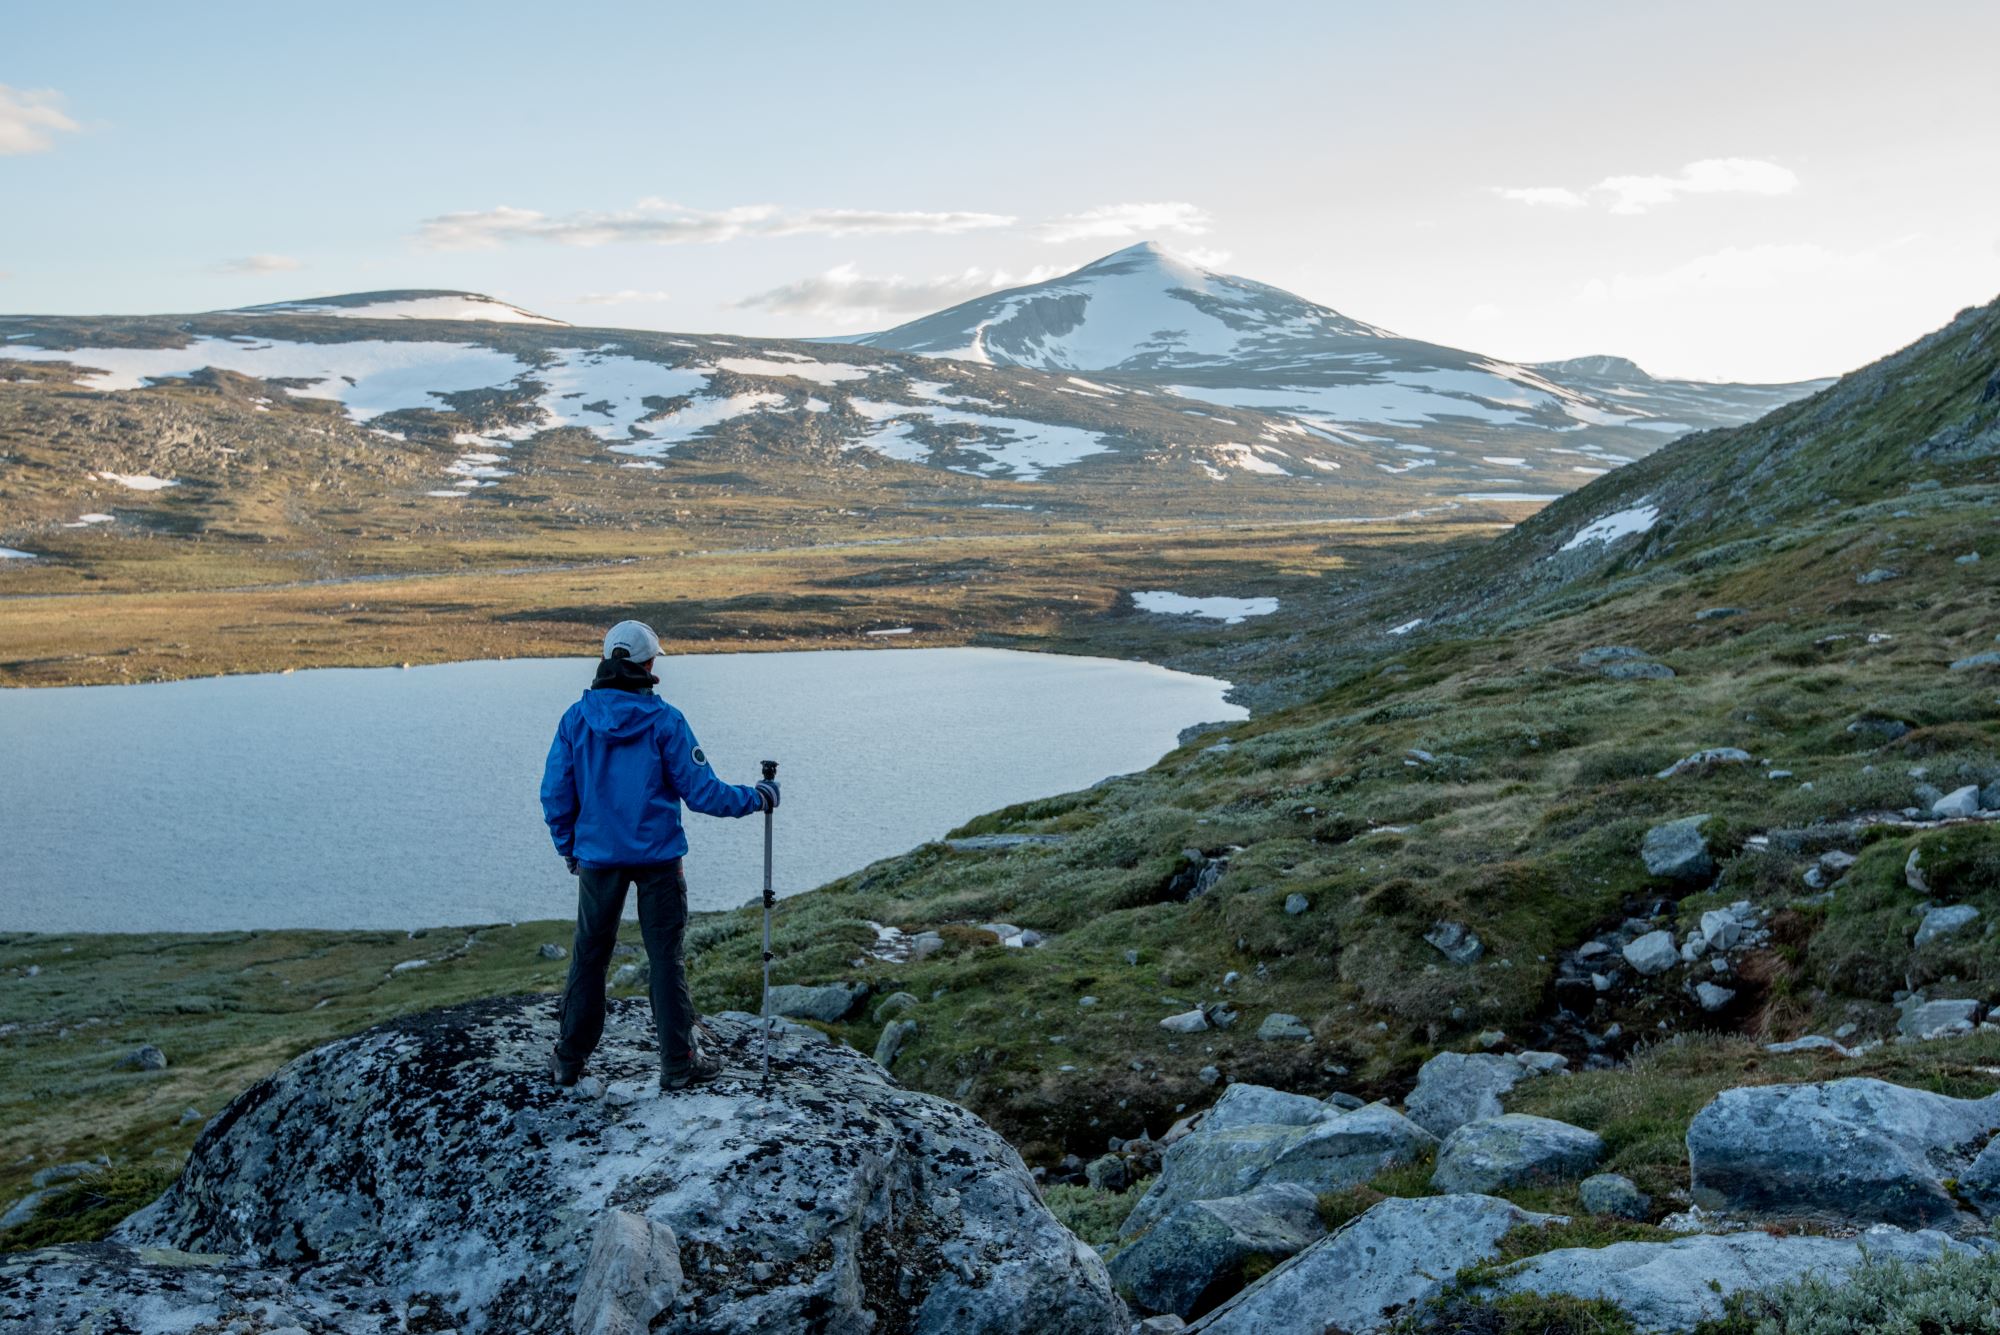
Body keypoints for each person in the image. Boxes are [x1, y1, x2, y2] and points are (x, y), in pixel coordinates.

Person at [539, 619, 779, 1091]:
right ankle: (677, 1062)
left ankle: (569, 1060)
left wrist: (569, 847)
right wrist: (759, 797)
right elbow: (704, 793)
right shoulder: (665, 721)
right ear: (648, 665)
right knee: (666, 960)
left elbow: (554, 794)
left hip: (597, 861)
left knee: (589, 958)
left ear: (608, 659)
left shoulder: (575, 719)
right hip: (659, 861)